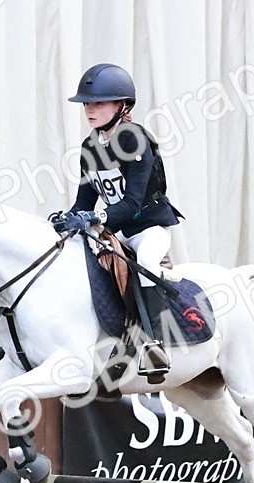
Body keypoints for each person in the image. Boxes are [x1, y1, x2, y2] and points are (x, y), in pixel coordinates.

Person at [54, 63, 181, 380]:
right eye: (87, 103)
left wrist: (95, 217)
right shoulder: (89, 147)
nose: (89, 110)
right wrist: (67, 220)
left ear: (123, 106)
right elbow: (84, 200)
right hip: (116, 229)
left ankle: (155, 344)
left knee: (149, 262)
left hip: (146, 228)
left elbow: (132, 203)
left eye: (98, 103)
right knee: (70, 254)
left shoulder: (134, 141)